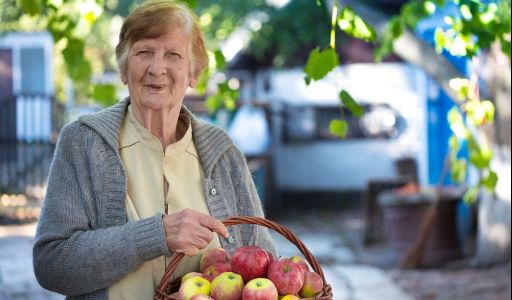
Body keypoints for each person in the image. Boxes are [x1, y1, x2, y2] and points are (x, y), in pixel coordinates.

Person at [32, 1, 276, 299]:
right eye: (144, 52)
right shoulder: (83, 142)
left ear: (193, 73)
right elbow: (52, 264)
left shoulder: (223, 153)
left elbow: (264, 266)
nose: (157, 68)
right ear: (123, 68)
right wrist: (154, 235)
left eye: (173, 55)